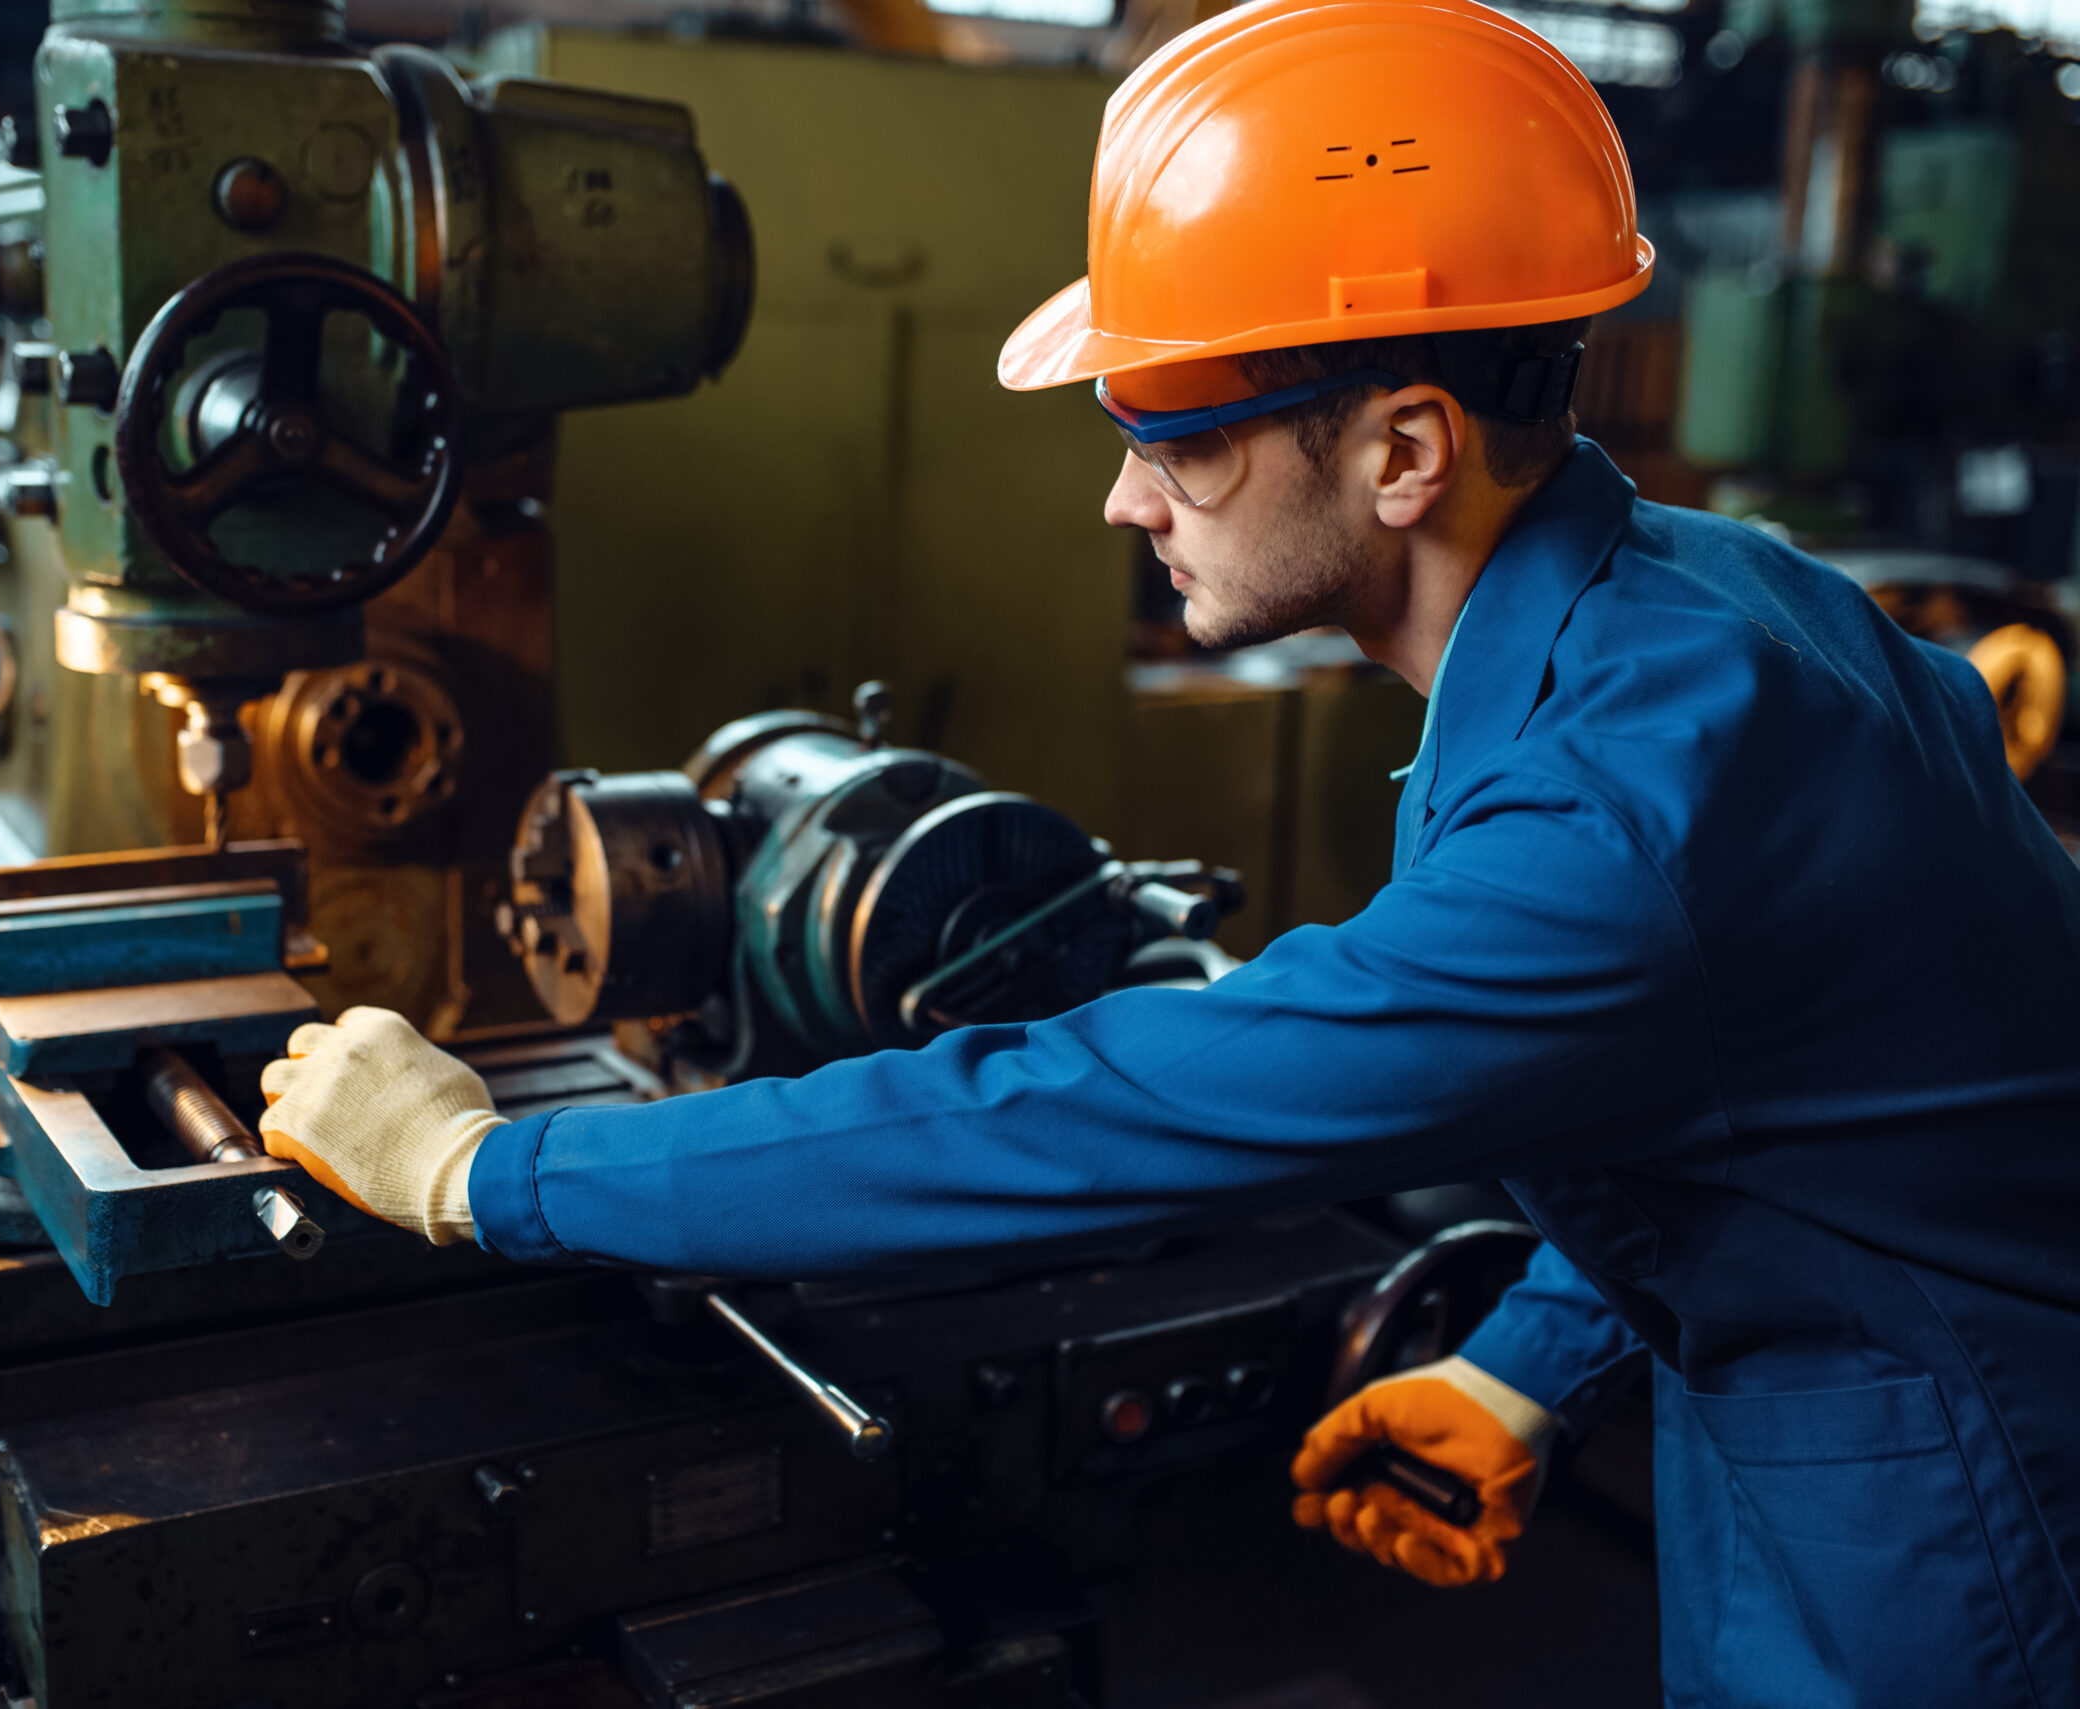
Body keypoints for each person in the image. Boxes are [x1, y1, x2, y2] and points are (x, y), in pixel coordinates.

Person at [255, 2, 2080, 1701]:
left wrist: (489, 1168)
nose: (1126, 499)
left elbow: (1089, 1113)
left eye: (1179, 444)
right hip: (1841, 1399)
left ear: (1405, 452)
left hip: (1948, 1515)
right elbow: (1767, 1088)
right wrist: (1535, 1356)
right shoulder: (1703, 599)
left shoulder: (1617, 806)